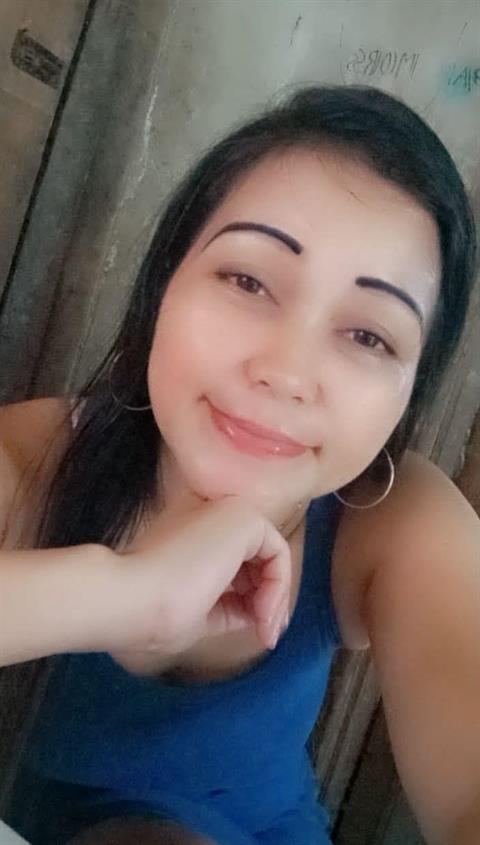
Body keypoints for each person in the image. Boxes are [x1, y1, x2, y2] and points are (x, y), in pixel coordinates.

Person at [1, 84, 479, 845]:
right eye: (248, 281)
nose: (287, 372)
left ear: (408, 394)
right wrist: (126, 591)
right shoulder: (32, 461)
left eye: (369, 336)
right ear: (164, 285)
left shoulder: (394, 519)